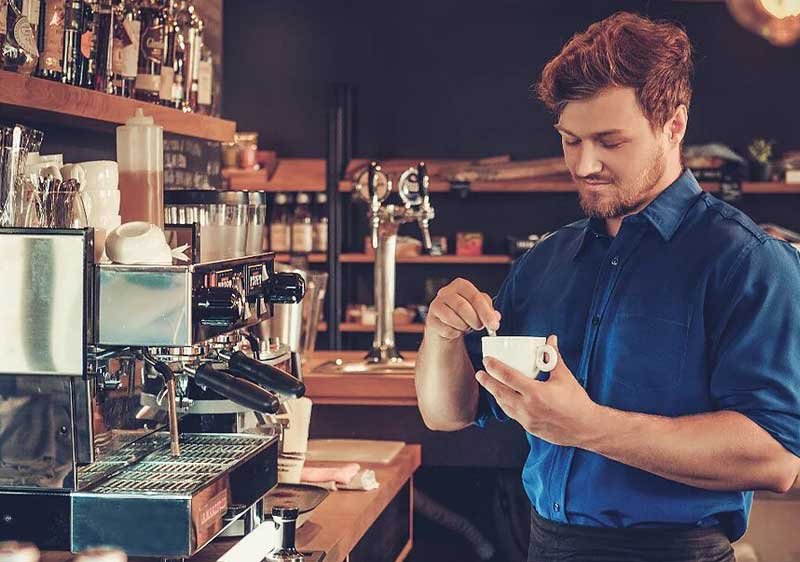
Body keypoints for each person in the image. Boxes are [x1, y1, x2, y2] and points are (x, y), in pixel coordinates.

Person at [415, 11, 800, 562]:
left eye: (609, 141)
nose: (585, 164)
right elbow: (447, 412)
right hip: (546, 546)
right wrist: (441, 333)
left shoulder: (748, 263)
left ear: (674, 125)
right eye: (571, 141)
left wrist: (589, 427)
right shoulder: (547, 259)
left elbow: (776, 458)